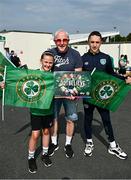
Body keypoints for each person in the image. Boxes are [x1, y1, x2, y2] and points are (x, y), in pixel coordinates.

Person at [82, 31, 131, 160]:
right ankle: (89, 142)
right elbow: (78, 77)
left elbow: (111, 74)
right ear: (88, 42)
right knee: (87, 118)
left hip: (102, 97)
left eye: (97, 42)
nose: (94, 45)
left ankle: (113, 146)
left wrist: (124, 78)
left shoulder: (106, 58)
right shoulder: (83, 58)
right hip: (88, 95)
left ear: (101, 43)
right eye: (92, 42)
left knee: (106, 119)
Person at [48, 29, 83, 158]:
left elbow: (78, 75)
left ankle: (68, 144)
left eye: (65, 40)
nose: (62, 43)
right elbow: (45, 72)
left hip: (70, 94)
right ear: (55, 41)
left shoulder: (75, 54)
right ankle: (54, 143)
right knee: (54, 118)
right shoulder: (49, 53)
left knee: (70, 119)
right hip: (54, 94)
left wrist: (75, 92)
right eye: (59, 40)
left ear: (68, 40)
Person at [27, 51, 55, 173]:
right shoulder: (34, 74)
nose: (48, 64)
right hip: (36, 111)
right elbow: (19, 83)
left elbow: (63, 90)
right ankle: (31, 157)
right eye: (46, 62)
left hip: (48, 110)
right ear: (41, 61)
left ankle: (44, 154)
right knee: (35, 135)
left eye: (50, 62)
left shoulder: (55, 76)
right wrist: (4, 84)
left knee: (46, 131)